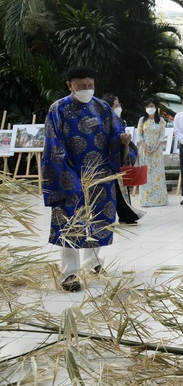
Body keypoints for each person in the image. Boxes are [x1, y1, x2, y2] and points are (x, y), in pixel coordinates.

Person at [42, 66, 132, 292]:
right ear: (69, 85)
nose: (86, 89)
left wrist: (123, 141)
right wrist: (67, 175)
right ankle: (69, 274)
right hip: (70, 176)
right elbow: (53, 144)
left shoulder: (101, 107)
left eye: (90, 85)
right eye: (81, 86)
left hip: (100, 176)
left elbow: (115, 133)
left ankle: (93, 263)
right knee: (70, 224)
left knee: (99, 220)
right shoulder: (58, 108)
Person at [102, 92, 145, 224]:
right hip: (107, 161)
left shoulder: (119, 121)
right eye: (116, 105)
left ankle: (126, 215)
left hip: (119, 159)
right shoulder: (103, 120)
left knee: (122, 190)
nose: (119, 107)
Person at [137, 98, 168, 207]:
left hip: (157, 151)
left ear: (156, 108)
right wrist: (144, 147)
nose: (150, 108)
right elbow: (139, 135)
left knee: (157, 174)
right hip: (144, 151)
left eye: (152, 106)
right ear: (145, 108)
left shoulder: (161, 121)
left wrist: (155, 148)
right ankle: (146, 200)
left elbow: (162, 136)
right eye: (148, 106)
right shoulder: (142, 120)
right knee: (146, 174)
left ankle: (159, 200)